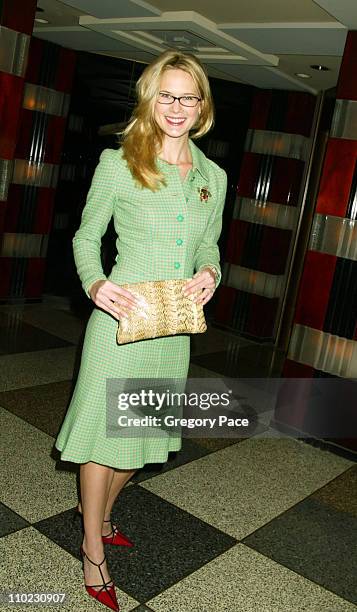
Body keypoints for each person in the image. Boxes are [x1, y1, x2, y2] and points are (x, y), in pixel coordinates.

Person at [55, 49, 227, 611]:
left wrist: (210, 272)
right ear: (150, 100)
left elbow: (208, 245)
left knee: (140, 438)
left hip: (173, 324)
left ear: (201, 105)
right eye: (166, 95)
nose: (176, 107)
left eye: (188, 96)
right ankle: (92, 548)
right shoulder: (119, 161)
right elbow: (85, 239)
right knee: (104, 435)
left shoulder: (212, 177)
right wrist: (96, 285)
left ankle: (95, 510)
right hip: (121, 316)